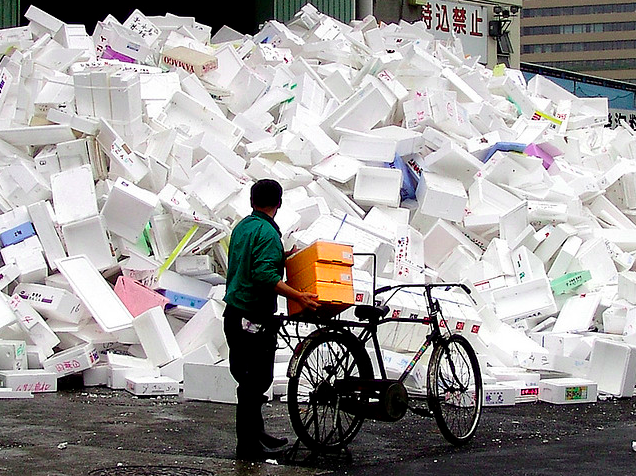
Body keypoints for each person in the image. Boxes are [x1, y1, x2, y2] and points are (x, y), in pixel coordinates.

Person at [222, 178, 319, 461]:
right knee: (255, 381)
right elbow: (264, 276)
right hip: (252, 317)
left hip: (234, 314)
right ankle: (248, 447)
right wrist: (299, 296)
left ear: (252, 202)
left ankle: (257, 432)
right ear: (278, 203)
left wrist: (282, 256)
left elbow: (252, 261)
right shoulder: (267, 233)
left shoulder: (243, 227)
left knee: (248, 378)